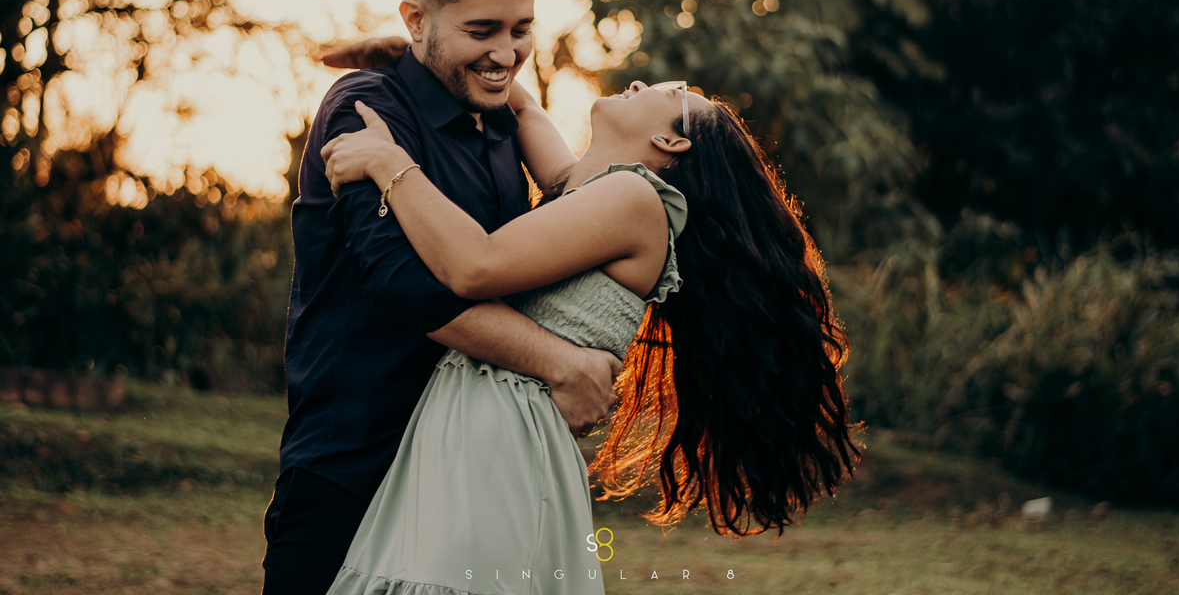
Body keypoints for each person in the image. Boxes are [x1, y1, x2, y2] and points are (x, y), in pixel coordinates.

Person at [318, 61, 862, 592]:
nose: (640, 83)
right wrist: (429, 59)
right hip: (478, 419)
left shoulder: (636, 202)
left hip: (501, 434)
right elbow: (525, 107)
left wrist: (388, 163)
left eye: (669, 93)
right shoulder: (593, 192)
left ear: (671, 143)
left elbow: (473, 265)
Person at [261, 0, 623, 595]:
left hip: (472, 474)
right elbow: (405, 286)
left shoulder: (499, 123)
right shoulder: (366, 110)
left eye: (521, 30)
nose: (506, 53)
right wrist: (559, 361)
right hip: (357, 464)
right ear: (416, 19)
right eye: (481, 31)